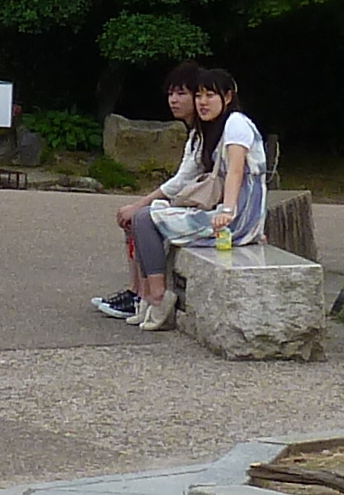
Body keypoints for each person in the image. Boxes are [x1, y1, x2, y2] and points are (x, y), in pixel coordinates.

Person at [95, 60, 266, 330]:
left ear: (228, 96)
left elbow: (235, 171)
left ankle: (156, 296)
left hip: (235, 222)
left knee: (145, 218)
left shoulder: (236, 124)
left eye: (209, 95)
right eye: (199, 95)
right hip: (230, 216)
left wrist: (227, 212)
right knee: (144, 217)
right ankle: (149, 296)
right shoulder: (207, 132)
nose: (203, 102)